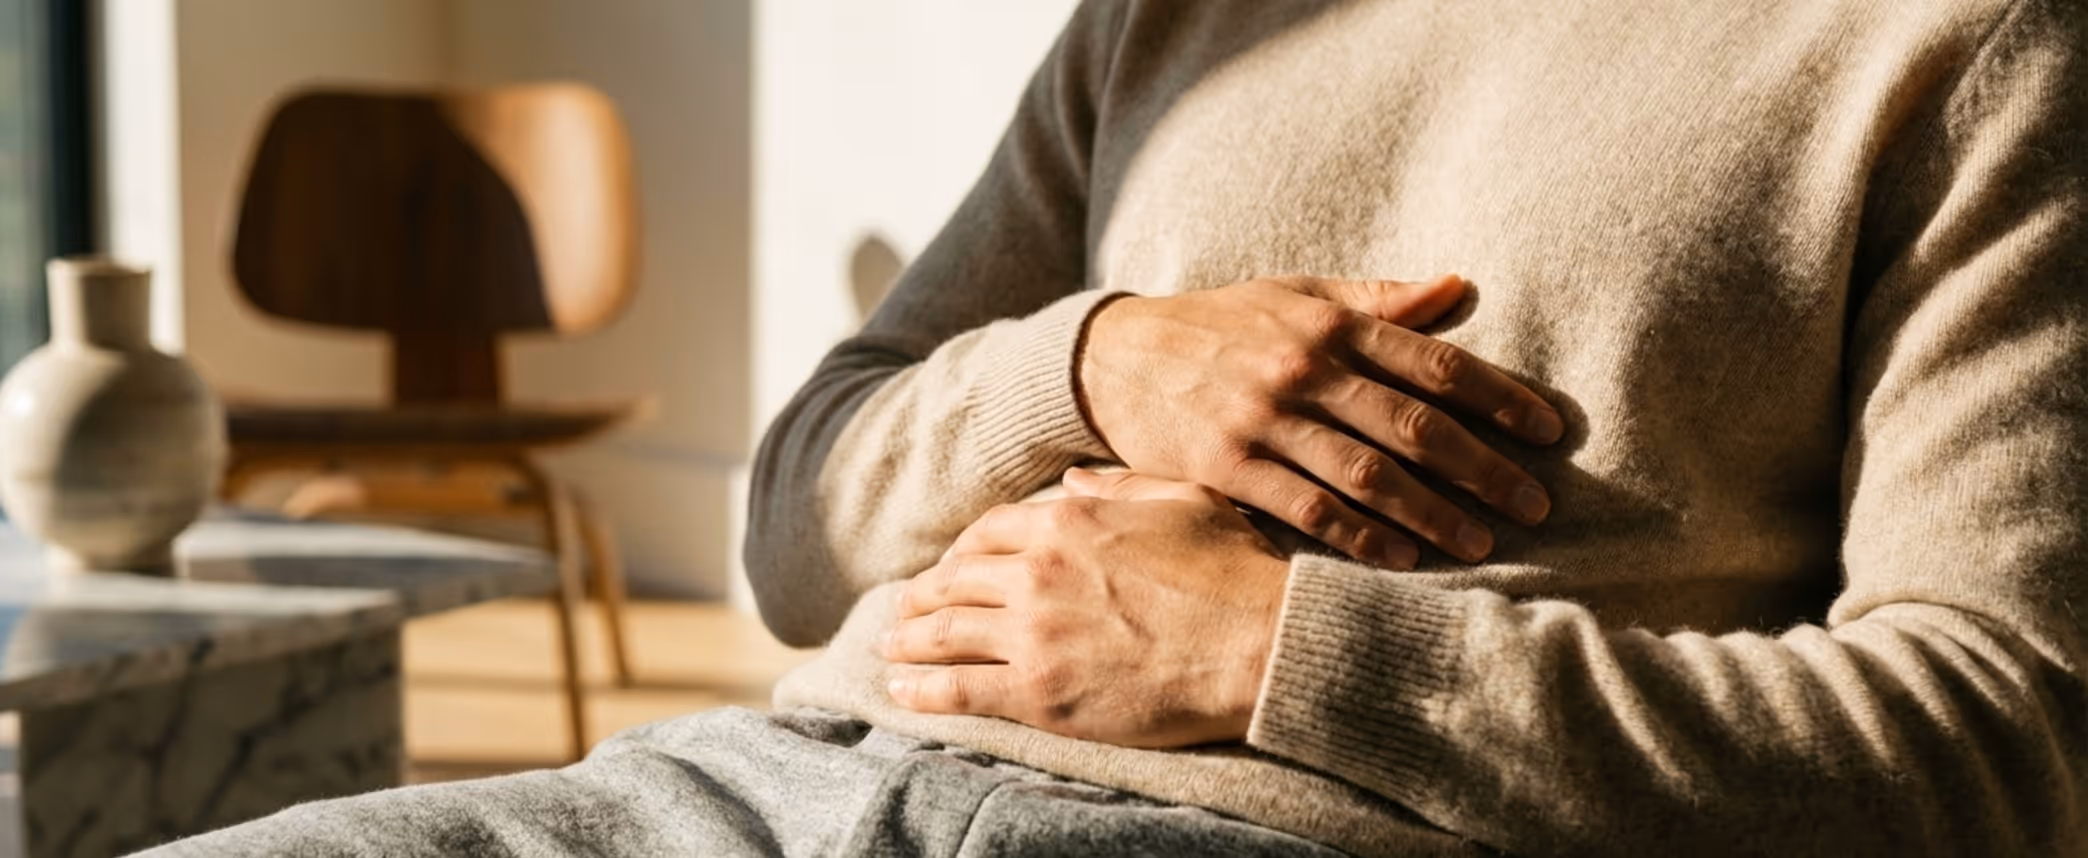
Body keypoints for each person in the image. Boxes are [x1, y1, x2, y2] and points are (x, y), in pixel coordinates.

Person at [157, 0, 2087, 855]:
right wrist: (1086, 363)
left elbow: (2001, 752)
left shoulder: (1974, 46)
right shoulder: (1176, 14)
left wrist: (1277, 652)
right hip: (758, 785)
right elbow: (791, 529)